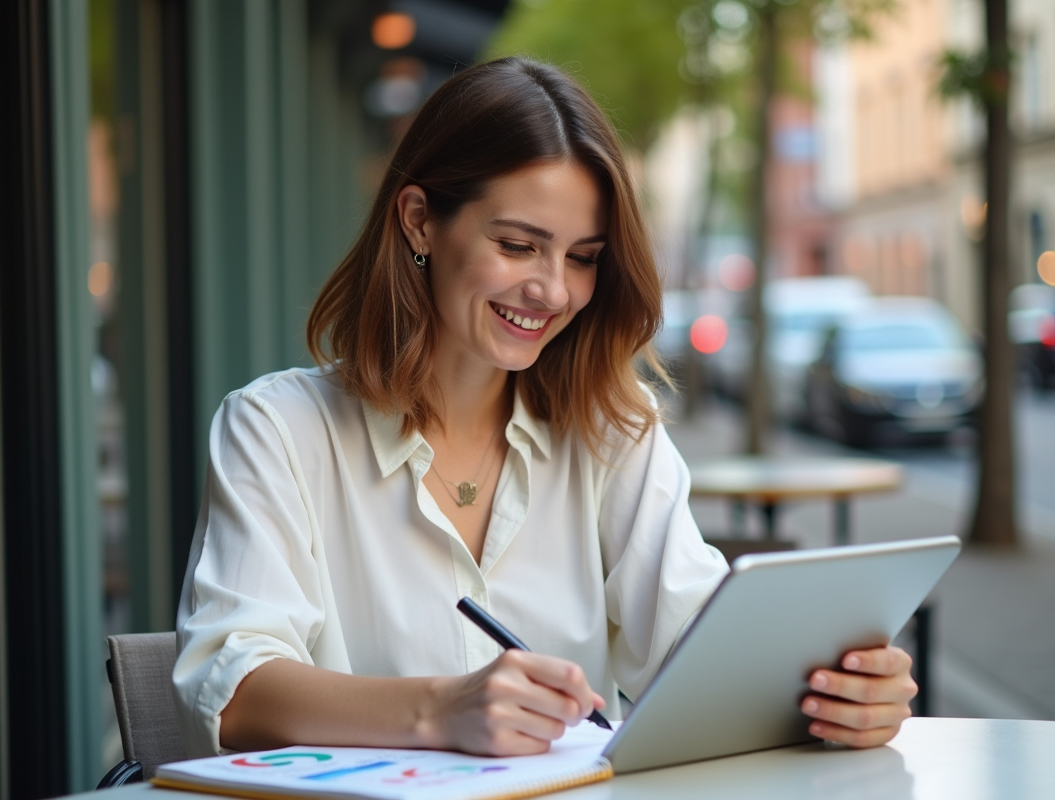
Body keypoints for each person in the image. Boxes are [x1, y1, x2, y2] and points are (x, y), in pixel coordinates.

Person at [173, 57, 917, 759]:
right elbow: (232, 689)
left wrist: (838, 698)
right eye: (519, 244)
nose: (554, 290)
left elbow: (701, 648)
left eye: (583, 256)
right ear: (419, 221)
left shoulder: (611, 432)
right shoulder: (277, 431)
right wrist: (439, 710)